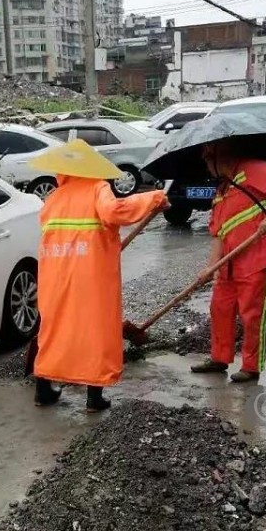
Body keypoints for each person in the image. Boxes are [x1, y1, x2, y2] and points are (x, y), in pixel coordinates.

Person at [28, 139, 168, 412]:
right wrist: (154, 197)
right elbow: (114, 212)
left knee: (54, 330)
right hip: (90, 278)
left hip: (55, 277)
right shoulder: (97, 188)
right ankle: (94, 398)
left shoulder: (54, 198)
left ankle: (43, 390)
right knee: (95, 330)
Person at [191, 139, 266, 383]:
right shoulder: (221, 191)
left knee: (252, 315)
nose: (206, 167)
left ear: (218, 157)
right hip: (228, 266)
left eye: (207, 160)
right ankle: (219, 358)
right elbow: (218, 234)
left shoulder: (251, 169)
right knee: (220, 308)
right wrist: (211, 268)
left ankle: (251, 366)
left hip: (258, 258)